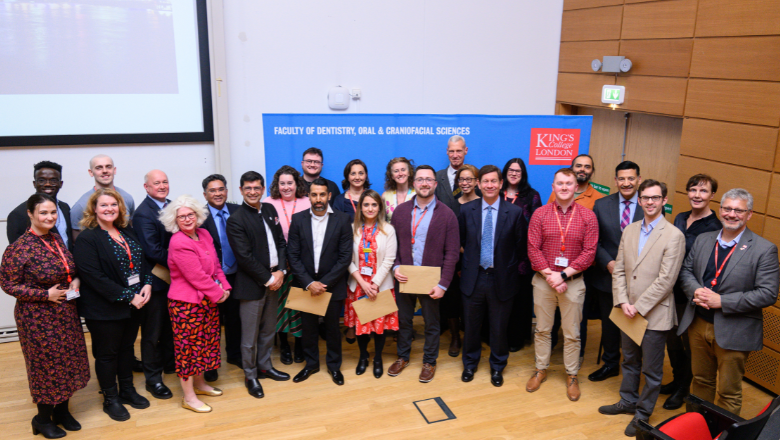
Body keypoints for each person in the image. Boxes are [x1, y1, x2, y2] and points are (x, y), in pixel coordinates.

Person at [677, 188, 779, 416]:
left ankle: (722, 434)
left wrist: (722, 301)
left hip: (734, 329)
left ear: (749, 214)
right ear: (720, 210)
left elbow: (767, 293)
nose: (732, 214)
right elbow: (686, 271)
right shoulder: (704, 239)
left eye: (738, 210)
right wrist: (696, 291)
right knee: (700, 382)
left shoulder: (764, 249)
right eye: (727, 208)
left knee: (728, 392)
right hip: (698, 324)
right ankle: (696, 429)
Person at [598, 180, 686, 437]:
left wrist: (638, 306)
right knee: (630, 360)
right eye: (645, 197)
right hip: (627, 310)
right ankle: (627, 401)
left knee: (652, 370)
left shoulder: (674, 235)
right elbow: (621, 269)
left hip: (653, 314)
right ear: (639, 200)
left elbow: (666, 281)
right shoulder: (631, 230)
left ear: (664, 201)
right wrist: (623, 301)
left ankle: (643, 414)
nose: (649, 202)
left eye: (655, 198)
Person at [0, 193, 89, 438]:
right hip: (37, 318)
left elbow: (70, 269)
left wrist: (76, 281)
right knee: (46, 366)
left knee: (67, 361)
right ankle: (42, 418)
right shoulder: (18, 248)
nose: (49, 217)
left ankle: (62, 411)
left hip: (65, 313)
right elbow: (7, 284)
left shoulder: (56, 239)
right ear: (30, 214)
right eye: (43, 213)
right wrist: (44, 295)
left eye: (53, 213)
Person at [73, 188, 152, 422]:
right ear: (94, 209)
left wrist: (146, 284)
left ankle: (127, 390)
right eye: (104, 205)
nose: (109, 209)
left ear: (120, 208)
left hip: (134, 304)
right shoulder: (88, 238)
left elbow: (143, 261)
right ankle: (111, 398)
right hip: (104, 308)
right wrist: (130, 296)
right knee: (107, 354)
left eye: (113, 205)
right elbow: (92, 276)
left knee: (127, 349)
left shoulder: (127, 232)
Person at [526, 168, 597, 402]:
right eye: (560, 183)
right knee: (543, 329)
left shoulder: (588, 216)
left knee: (572, 333)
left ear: (576, 187)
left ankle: (572, 374)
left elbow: (589, 253)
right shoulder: (540, 214)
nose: (564, 187)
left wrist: (562, 275)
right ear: (553, 187)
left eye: (569, 183)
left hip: (573, 283)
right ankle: (540, 368)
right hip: (544, 281)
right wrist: (551, 277)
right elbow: (533, 249)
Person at [388, 165, 460, 383]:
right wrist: (396, 267)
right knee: (404, 320)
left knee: (431, 323)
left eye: (429, 179)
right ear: (413, 184)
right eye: (420, 179)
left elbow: (452, 253)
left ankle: (430, 361)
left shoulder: (447, 215)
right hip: (405, 277)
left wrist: (443, 284)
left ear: (436, 184)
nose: (425, 183)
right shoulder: (400, 212)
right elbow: (394, 246)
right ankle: (402, 357)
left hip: (431, 281)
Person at [161, 195, 231, 413]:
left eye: (190, 214)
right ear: (175, 220)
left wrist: (226, 287)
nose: (187, 219)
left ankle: (200, 385)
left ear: (197, 214)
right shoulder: (178, 242)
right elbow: (197, 276)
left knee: (206, 345)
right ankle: (189, 397)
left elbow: (216, 266)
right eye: (181, 216)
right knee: (188, 351)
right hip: (186, 305)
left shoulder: (204, 234)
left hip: (207, 301)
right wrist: (217, 294)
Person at [458, 165, 526, 387]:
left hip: (501, 279)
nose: (489, 185)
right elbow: (461, 242)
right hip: (473, 277)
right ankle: (470, 363)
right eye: (485, 181)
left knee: (498, 328)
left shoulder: (514, 213)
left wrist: (508, 270)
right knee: (471, 325)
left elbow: (520, 248)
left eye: (493, 181)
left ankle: (497, 367)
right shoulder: (467, 211)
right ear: (479, 184)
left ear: (500, 184)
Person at [226, 171, 290, 399]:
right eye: (248, 188)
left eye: (256, 188)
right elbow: (244, 257)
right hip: (253, 285)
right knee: (249, 336)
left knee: (268, 330)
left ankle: (265, 367)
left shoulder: (270, 209)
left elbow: (281, 243)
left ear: (263, 189)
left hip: (276, 279)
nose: (253, 192)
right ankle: (250, 375)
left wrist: (281, 270)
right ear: (242, 190)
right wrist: (269, 278)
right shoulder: (236, 219)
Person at [662, 174, 722, 410]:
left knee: (687, 343)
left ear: (712, 196)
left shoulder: (715, 227)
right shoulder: (680, 217)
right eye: (693, 190)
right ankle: (677, 380)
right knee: (672, 340)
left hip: (690, 294)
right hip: (669, 290)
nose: (697, 195)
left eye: (703, 191)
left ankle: (683, 389)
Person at [287, 178, 353, 385]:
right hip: (305, 286)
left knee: (333, 329)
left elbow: (345, 257)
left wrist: (324, 283)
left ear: (329, 196)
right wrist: (309, 283)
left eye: (322, 195)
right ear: (309, 196)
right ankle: (311, 364)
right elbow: (293, 256)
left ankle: (334, 367)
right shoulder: (298, 220)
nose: (318, 199)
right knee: (309, 328)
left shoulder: (342, 220)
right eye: (314, 195)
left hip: (331, 285)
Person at [587, 161, 643, 383]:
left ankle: (634, 368)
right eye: (622, 178)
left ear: (638, 179)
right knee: (609, 324)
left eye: (631, 178)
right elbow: (594, 240)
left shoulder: (647, 205)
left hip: (638, 279)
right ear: (615, 180)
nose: (626, 183)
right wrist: (607, 263)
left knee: (634, 324)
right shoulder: (601, 205)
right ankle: (610, 363)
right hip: (606, 276)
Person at [344, 190, 398, 378]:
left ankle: (377, 358)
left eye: (374, 205)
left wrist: (374, 284)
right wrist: (362, 282)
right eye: (366, 205)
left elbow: (389, 260)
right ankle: (363, 356)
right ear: (360, 208)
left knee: (379, 328)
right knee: (361, 327)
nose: (370, 208)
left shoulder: (388, 230)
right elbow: (347, 260)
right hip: (358, 285)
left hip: (380, 286)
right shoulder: (351, 229)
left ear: (380, 207)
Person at [132, 170, 174, 400]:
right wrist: (184, 259)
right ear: (146, 187)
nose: (161, 186)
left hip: (172, 280)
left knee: (169, 328)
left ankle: (170, 365)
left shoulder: (171, 206)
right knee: (152, 332)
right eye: (156, 183)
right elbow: (152, 251)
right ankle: (153, 379)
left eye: (165, 181)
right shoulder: (143, 214)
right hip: (154, 282)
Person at [263, 166, 311, 365]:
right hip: (279, 265)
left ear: (296, 183)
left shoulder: (307, 201)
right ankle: (284, 344)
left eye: (290, 183)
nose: (286, 187)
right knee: (280, 306)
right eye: (282, 183)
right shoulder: (267, 203)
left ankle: (299, 343)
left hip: (302, 264)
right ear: (277, 185)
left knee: (299, 305)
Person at [199, 174, 241, 382]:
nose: (218, 193)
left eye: (221, 189)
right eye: (213, 190)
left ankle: (234, 355)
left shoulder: (237, 210)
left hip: (236, 275)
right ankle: (210, 364)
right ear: (205, 194)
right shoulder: (199, 217)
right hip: (212, 279)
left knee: (234, 319)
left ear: (226, 191)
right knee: (211, 323)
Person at [501, 158, 542, 351]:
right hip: (497, 255)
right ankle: (496, 336)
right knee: (497, 297)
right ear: (505, 172)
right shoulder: (496, 192)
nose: (514, 173)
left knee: (519, 299)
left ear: (523, 174)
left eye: (518, 171)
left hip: (521, 257)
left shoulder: (532, 196)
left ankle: (516, 338)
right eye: (511, 170)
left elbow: (536, 228)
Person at [442, 163, 480, 357]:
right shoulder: (453, 204)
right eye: (461, 179)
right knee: (452, 299)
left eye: (469, 179)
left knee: (473, 301)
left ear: (477, 181)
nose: (465, 183)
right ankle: (455, 337)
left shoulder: (484, 203)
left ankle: (472, 337)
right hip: (455, 260)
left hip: (477, 262)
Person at [7, 161, 74, 251]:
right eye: (42, 180)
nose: (48, 184)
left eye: (53, 180)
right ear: (34, 184)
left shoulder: (65, 208)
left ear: (61, 184)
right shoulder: (18, 215)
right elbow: (17, 252)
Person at [71, 155, 136, 239]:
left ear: (114, 170)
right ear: (91, 172)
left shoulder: (127, 198)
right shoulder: (80, 206)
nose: (105, 171)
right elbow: (77, 242)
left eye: (108, 167)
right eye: (99, 168)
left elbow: (129, 230)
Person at [435, 135, 476, 210]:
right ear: (447, 151)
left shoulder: (476, 176)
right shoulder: (437, 177)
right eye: (451, 151)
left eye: (458, 151)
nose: (455, 155)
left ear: (466, 150)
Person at [381, 157, 415, 221]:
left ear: (409, 172)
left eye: (403, 170)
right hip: (390, 231)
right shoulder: (385, 196)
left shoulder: (417, 195)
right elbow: (381, 221)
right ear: (392, 176)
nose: (400, 174)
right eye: (396, 171)